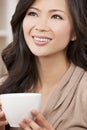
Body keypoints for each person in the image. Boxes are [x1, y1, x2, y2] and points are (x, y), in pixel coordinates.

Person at [0, 0, 87, 130]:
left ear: (75, 31)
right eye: (33, 13)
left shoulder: (83, 91)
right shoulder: (4, 87)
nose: (41, 26)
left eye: (56, 16)